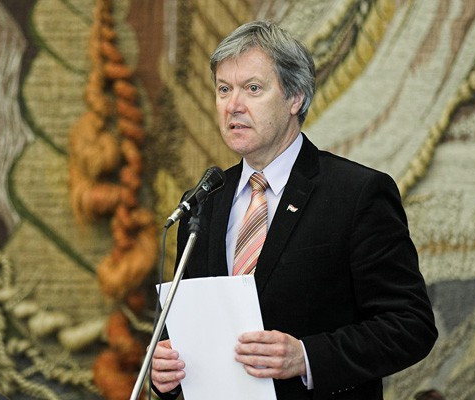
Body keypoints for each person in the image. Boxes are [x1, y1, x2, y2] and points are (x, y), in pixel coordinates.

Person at [150, 20, 437, 399]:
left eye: (253, 88)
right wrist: (166, 371)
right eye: (224, 89)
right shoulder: (205, 201)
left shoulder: (356, 193)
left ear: (295, 98)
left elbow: (410, 325)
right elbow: (184, 331)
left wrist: (306, 357)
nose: (233, 106)